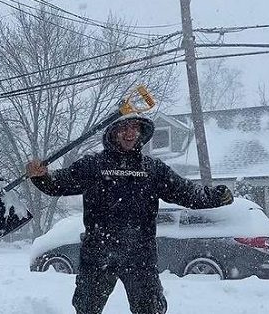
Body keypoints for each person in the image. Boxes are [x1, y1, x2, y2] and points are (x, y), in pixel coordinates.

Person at [26, 114, 233, 314]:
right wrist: (42, 176)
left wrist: (213, 197)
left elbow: (185, 192)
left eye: (134, 127)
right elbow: (59, 183)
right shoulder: (93, 165)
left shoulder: (152, 169)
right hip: (99, 252)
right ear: (113, 132)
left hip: (140, 254)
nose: (130, 133)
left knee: (150, 310)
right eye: (124, 128)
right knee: (86, 308)